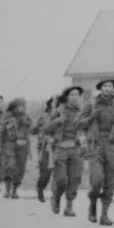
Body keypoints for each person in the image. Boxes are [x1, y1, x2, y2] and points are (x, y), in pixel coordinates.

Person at [77, 77, 114, 226]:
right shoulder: (91, 104)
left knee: (110, 180)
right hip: (95, 144)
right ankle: (93, 204)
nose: (107, 88)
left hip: (111, 145)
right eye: (105, 86)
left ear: (113, 88)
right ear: (100, 88)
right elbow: (78, 124)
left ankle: (104, 214)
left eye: (110, 86)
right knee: (96, 179)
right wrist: (91, 117)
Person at [43, 86, 87, 216]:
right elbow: (46, 129)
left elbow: (86, 129)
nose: (75, 97)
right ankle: (56, 198)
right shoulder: (59, 110)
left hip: (76, 149)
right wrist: (59, 119)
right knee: (61, 180)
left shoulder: (82, 111)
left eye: (77, 95)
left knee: (75, 178)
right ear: (67, 96)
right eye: (72, 94)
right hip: (60, 148)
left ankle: (69, 207)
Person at [0, 98, 31, 198]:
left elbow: (32, 128)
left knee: (20, 168)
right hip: (10, 144)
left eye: (23, 105)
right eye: (20, 105)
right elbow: (1, 132)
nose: (22, 107)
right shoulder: (7, 117)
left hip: (22, 145)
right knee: (10, 166)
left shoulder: (27, 117)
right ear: (15, 107)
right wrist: (0, 146)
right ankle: (7, 189)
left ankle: (14, 190)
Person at [34, 96, 58, 204]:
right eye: (53, 104)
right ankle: (40, 188)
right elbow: (33, 130)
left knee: (60, 173)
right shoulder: (43, 117)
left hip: (60, 147)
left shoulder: (63, 116)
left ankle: (56, 195)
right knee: (45, 174)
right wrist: (38, 126)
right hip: (45, 147)